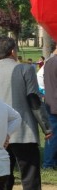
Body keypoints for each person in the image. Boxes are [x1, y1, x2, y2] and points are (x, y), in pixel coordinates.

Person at [0, 36, 52, 190]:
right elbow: (34, 100)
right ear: (12, 51)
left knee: (4, 177)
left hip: (0, 132)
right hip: (23, 131)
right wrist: (46, 127)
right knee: (30, 177)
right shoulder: (25, 69)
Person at [43, 41, 57, 169]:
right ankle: (48, 163)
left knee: (52, 135)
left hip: (49, 102)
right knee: (53, 137)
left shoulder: (48, 62)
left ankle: (49, 162)